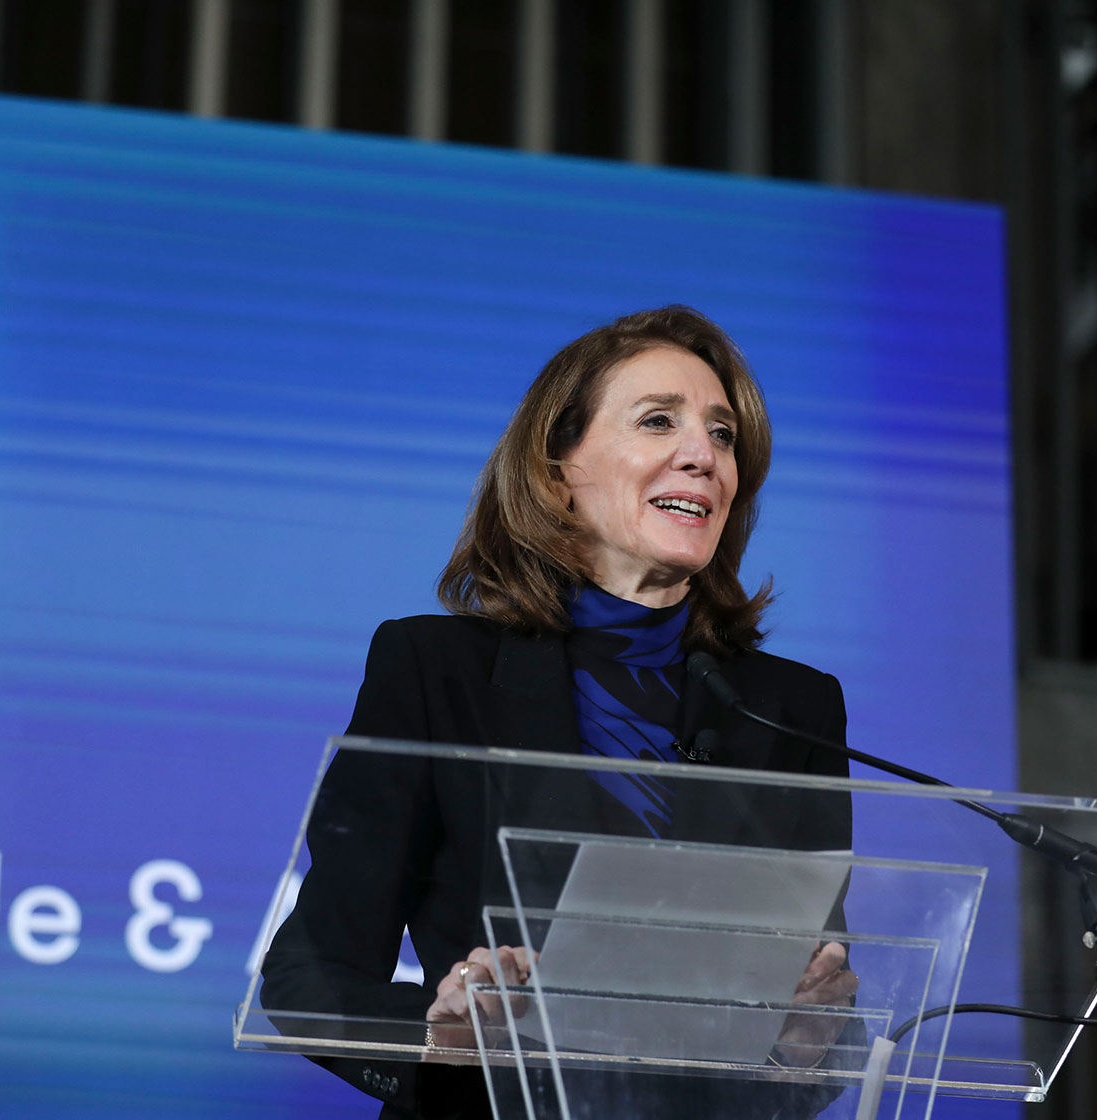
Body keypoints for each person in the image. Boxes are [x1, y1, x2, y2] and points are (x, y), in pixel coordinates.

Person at [262, 306, 859, 1119]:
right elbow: (309, 977)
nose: (704, 457)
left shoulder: (792, 707)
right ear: (556, 472)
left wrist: (807, 1042)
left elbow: (818, 1009)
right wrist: (443, 1043)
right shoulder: (438, 672)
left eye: (723, 437)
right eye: (660, 423)